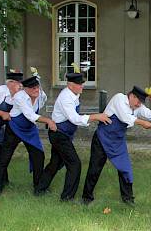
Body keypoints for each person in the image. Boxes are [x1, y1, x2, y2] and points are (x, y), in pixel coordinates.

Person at [81, 86, 151, 206]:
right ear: (132, 96)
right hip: (102, 138)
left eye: (141, 103)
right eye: (138, 101)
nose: (139, 105)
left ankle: (128, 200)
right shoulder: (119, 98)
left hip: (118, 141)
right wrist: (142, 122)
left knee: (125, 169)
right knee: (95, 169)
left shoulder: (138, 106)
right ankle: (86, 198)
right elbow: (125, 117)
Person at [35, 70, 112, 201]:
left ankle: (40, 189)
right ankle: (67, 197)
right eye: (79, 84)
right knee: (75, 164)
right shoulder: (66, 98)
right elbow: (75, 119)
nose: (82, 86)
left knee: (55, 163)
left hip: (63, 134)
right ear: (70, 85)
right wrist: (96, 117)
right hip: (59, 135)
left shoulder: (73, 94)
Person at [0, 74, 56, 195]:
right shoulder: (19, 97)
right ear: (25, 89)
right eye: (33, 88)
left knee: (39, 155)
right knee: (4, 158)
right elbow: (30, 115)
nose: (36, 90)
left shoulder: (41, 95)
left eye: (37, 87)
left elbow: (41, 104)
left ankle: (38, 188)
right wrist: (48, 120)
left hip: (29, 128)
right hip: (14, 128)